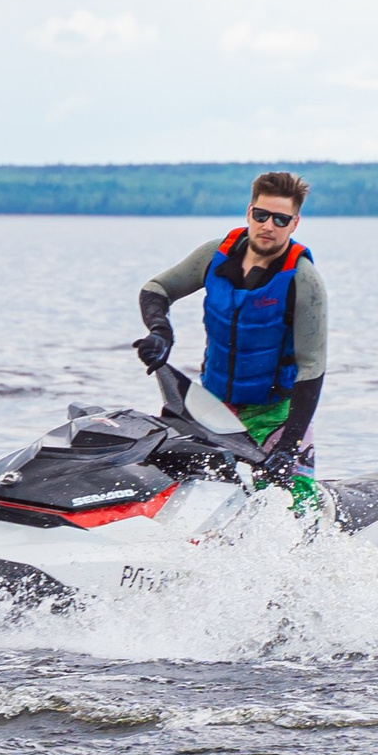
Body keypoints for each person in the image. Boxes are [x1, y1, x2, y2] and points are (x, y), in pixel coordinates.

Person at [133, 170, 325, 506]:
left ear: (294, 224)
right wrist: (160, 333)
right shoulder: (213, 256)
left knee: (294, 507)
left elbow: (312, 367)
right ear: (249, 212)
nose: (268, 226)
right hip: (214, 407)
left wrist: (289, 445)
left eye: (280, 219)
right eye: (262, 215)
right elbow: (156, 290)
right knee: (176, 491)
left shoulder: (303, 279)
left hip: (276, 416)